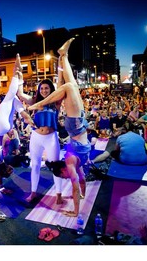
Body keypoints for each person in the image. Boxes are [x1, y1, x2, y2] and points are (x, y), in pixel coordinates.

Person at [28, 38, 90, 217]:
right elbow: (80, 184)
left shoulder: (72, 164)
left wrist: (76, 211)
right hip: (77, 126)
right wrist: (82, 196)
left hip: (75, 127)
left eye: (64, 177)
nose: (68, 178)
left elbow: (78, 184)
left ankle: (64, 55)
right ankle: (64, 55)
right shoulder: (73, 166)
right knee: (71, 86)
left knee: (70, 86)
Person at [0, 54, 35, 205]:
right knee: (14, 101)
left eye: (9, 169)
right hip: (3, 127)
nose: (11, 168)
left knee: (11, 97)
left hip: (0, 127)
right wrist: (1, 188)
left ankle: (16, 72)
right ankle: (19, 76)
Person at [17, 77, 63, 203]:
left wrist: (61, 65)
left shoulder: (56, 102)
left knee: (56, 166)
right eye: (41, 88)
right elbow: (20, 94)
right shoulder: (35, 102)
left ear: (51, 89)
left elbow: (60, 85)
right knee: (35, 165)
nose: (43, 90)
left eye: (46, 88)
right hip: (36, 137)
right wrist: (20, 76)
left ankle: (59, 194)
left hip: (51, 138)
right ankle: (33, 193)